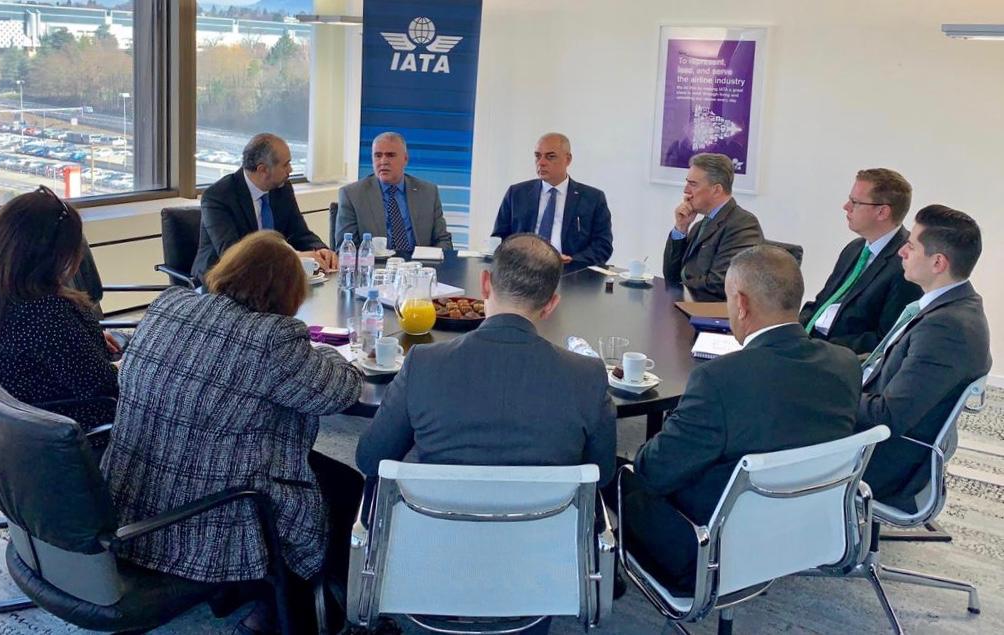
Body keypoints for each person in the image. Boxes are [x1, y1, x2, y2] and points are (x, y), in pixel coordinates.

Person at [102, 231, 364, 633]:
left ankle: (276, 594)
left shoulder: (170, 305)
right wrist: (329, 352)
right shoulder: (272, 338)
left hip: (130, 503)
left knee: (323, 471)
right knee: (340, 486)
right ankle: (299, 608)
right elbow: (339, 391)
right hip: (206, 516)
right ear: (289, 292)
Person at [623, 245, 860, 593]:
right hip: (801, 533)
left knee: (613, 473)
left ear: (742, 304)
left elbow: (654, 471)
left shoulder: (719, 380)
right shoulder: (845, 364)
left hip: (709, 550)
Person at [357, 233, 616, 487]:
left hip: (441, 515)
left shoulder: (423, 364)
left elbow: (370, 459)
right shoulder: (588, 376)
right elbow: (602, 475)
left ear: (484, 284)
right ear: (551, 305)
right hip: (548, 517)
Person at [857, 205, 991, 511]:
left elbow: (888, 416)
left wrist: (828, 395)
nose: (901, 251)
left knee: (770, 425)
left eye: (911, 246)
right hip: (879, 439)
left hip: (882, 463)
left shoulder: (947, 329)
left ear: (938, 262)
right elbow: (884, 363)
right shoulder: (953, 306)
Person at [0, 186, 118, 429]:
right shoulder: (46, 313)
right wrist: (133, 365)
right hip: (78, 425)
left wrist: (86, 338)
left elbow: (40, 352)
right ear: (55, 255)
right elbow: (106, 385)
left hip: (25, 424)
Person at [799, 169, 921, 354]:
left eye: (855, 202)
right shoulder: (854, 248)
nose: (846, 206)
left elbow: (884, 339)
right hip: (811, 342)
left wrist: (820, 348)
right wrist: (794, 331)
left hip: (840, 356)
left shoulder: (906, 263)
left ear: (882, 212)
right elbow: (821, 302)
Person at [192, 133, 336, 282]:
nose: (290, 170)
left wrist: (320, 249)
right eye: (285, 165)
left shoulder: (282, 188)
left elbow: (299, 232)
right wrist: (293, 257)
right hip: (224, 279)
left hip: (272, 279)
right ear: (263, 170)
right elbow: (232, 254)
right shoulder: (219, 196)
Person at [491, 133, 613, 269]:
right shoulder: (517, 193)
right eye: (538, 156)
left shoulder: (592, 198)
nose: (541, 162)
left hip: (570, 272)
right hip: (523, 270)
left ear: (568, 159)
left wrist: (572, 260)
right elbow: (499, 238)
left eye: (550, 156)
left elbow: (603, 246)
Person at [662, 152, 763, 300]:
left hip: (712, 311)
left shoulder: (743, 225)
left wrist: (682, 287)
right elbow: (671, 276)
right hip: (686, 306)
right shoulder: (699, 226)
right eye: (687, 183)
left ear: (716, 190)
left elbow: (720, 284)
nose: (686, 191)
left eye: (693, 184)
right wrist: (681, 228)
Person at [335, 131, 453, 251]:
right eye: (378, 155)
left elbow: (443, 240)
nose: (383, 161)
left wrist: (432, 259)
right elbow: (346, 249)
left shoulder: (428, 192)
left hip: (419, 261)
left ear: (405, 159)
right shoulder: (352, 195)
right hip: (375, 262)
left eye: (390, 155)